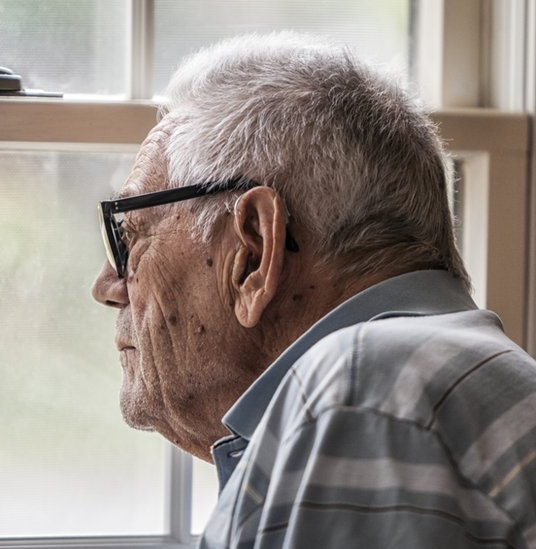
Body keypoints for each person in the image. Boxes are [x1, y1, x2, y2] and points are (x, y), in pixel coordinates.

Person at [91, 32, 536, 548]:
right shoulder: (419, 383)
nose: (107, 286)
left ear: (253, 252)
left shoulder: (366, 396)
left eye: (131, 236)